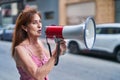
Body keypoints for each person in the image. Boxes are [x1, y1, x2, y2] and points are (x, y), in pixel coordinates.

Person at [11, 7, 66, 80]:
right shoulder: (20, 49)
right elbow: (37, 75)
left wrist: (59, 50)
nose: (39, 26)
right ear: (25, 28)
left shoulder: (39, 42)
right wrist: (55, 55)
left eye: (40, 21)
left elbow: (48, 60)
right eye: (34, 23)